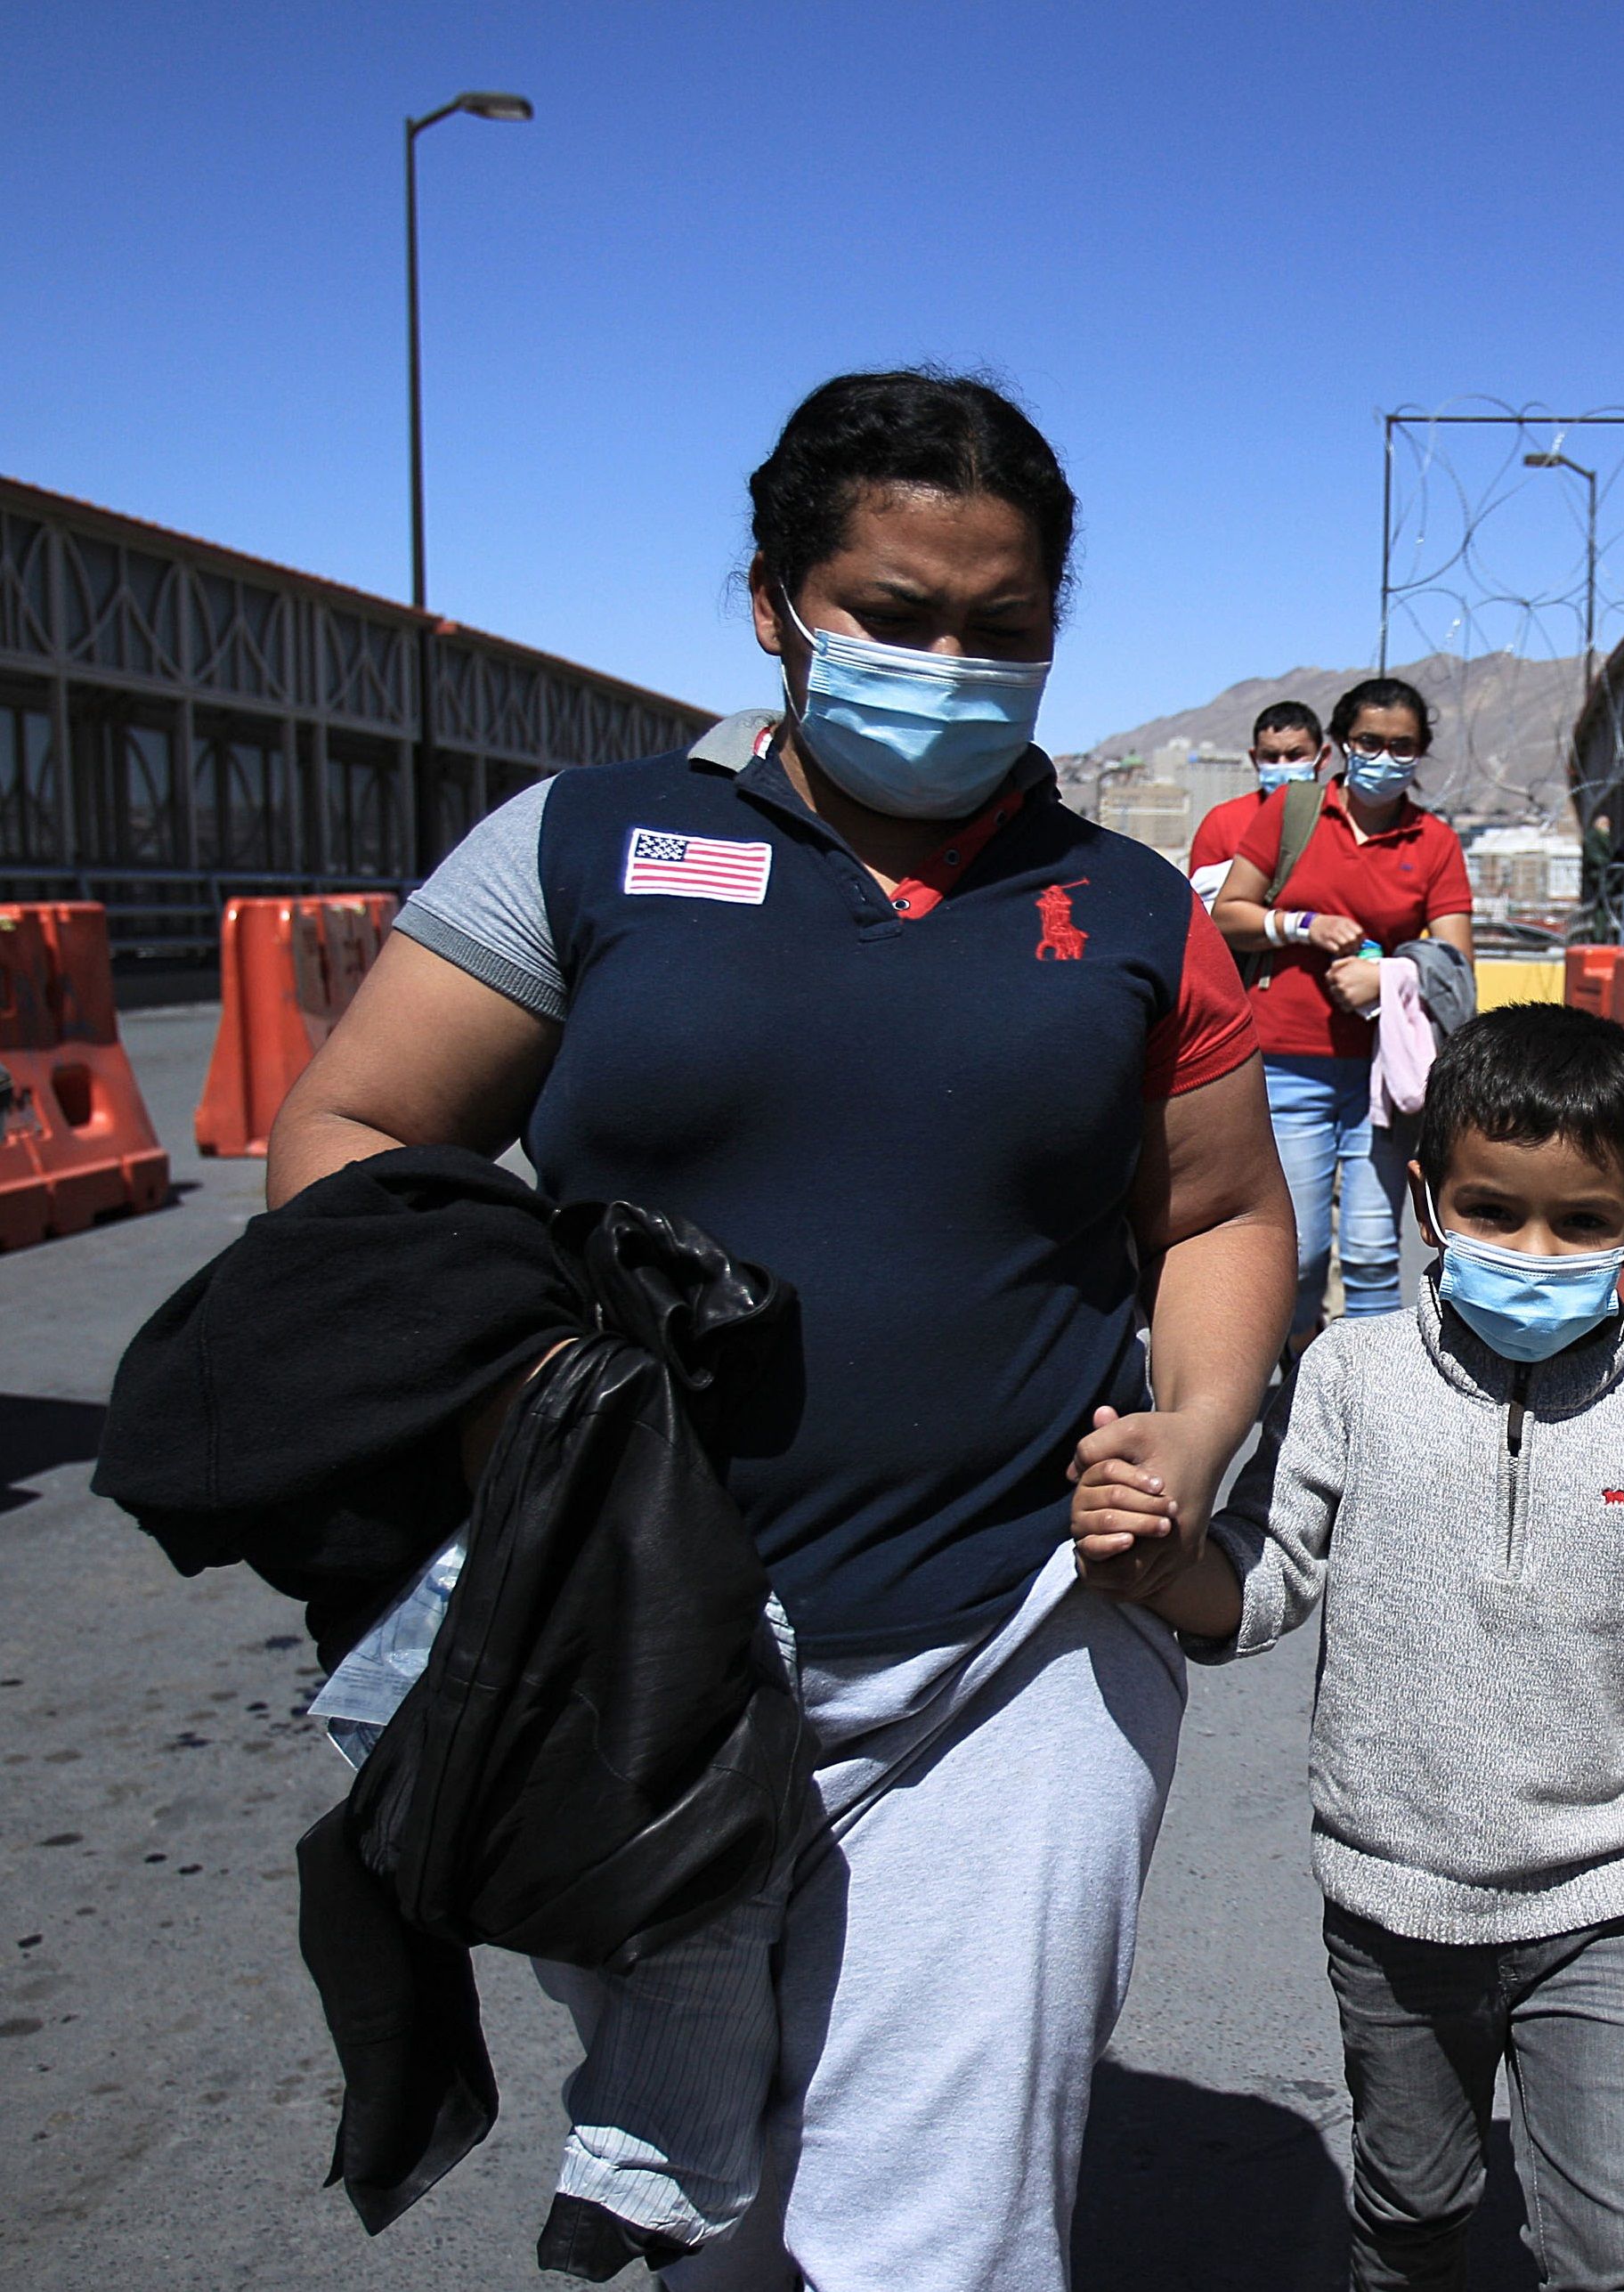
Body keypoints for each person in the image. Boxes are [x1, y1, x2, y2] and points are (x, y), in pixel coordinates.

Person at [264, 369, 1295, 2289]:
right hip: (622, 1658)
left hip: (1009, 1647)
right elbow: (355, 1129)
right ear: (775, 604)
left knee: (931, 2235)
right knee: (724, 2201)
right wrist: (503, 1384)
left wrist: (1201, 1425)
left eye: (1005, 632)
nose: (952, 666)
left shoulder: (1136, 908)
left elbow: (1224, 1207)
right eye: (895, 617)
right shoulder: (583, 847)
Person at [1133, 1003, 1624, 2292]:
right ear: (1425, 1198)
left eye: (1583, 1223)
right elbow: (1265, 1585)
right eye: (1492, 1209)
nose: (1535, 1252)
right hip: (1393, 1908)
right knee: (1413, 2210)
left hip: (1607, 1905)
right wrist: (1164, 1561)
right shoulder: (1351, 1376)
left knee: (1617, 2252)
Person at [1209, 677, 1474, 1343]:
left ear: (1421, 752)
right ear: (1340, 746)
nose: (1384, 756)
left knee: (1371, 1253)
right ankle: (1297, 1390)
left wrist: (1383, 976)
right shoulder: (1293, 814)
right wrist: (1299, 925)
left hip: (1384, 1081)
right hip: (1284, 1068)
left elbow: (1455, 966)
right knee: (1295, 1254)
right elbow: (1229, 914)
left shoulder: (1434, 842)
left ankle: (1366, 1407)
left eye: (1401, 745)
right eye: (1369, 742)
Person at [1189, 698, 1326, 908]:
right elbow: (1201, 910)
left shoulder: (1342, 816)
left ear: (1322, 757)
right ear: (1254, 759)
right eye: (1271, 757)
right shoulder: (1222, 821)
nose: (1282, 765)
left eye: (1295, 755)